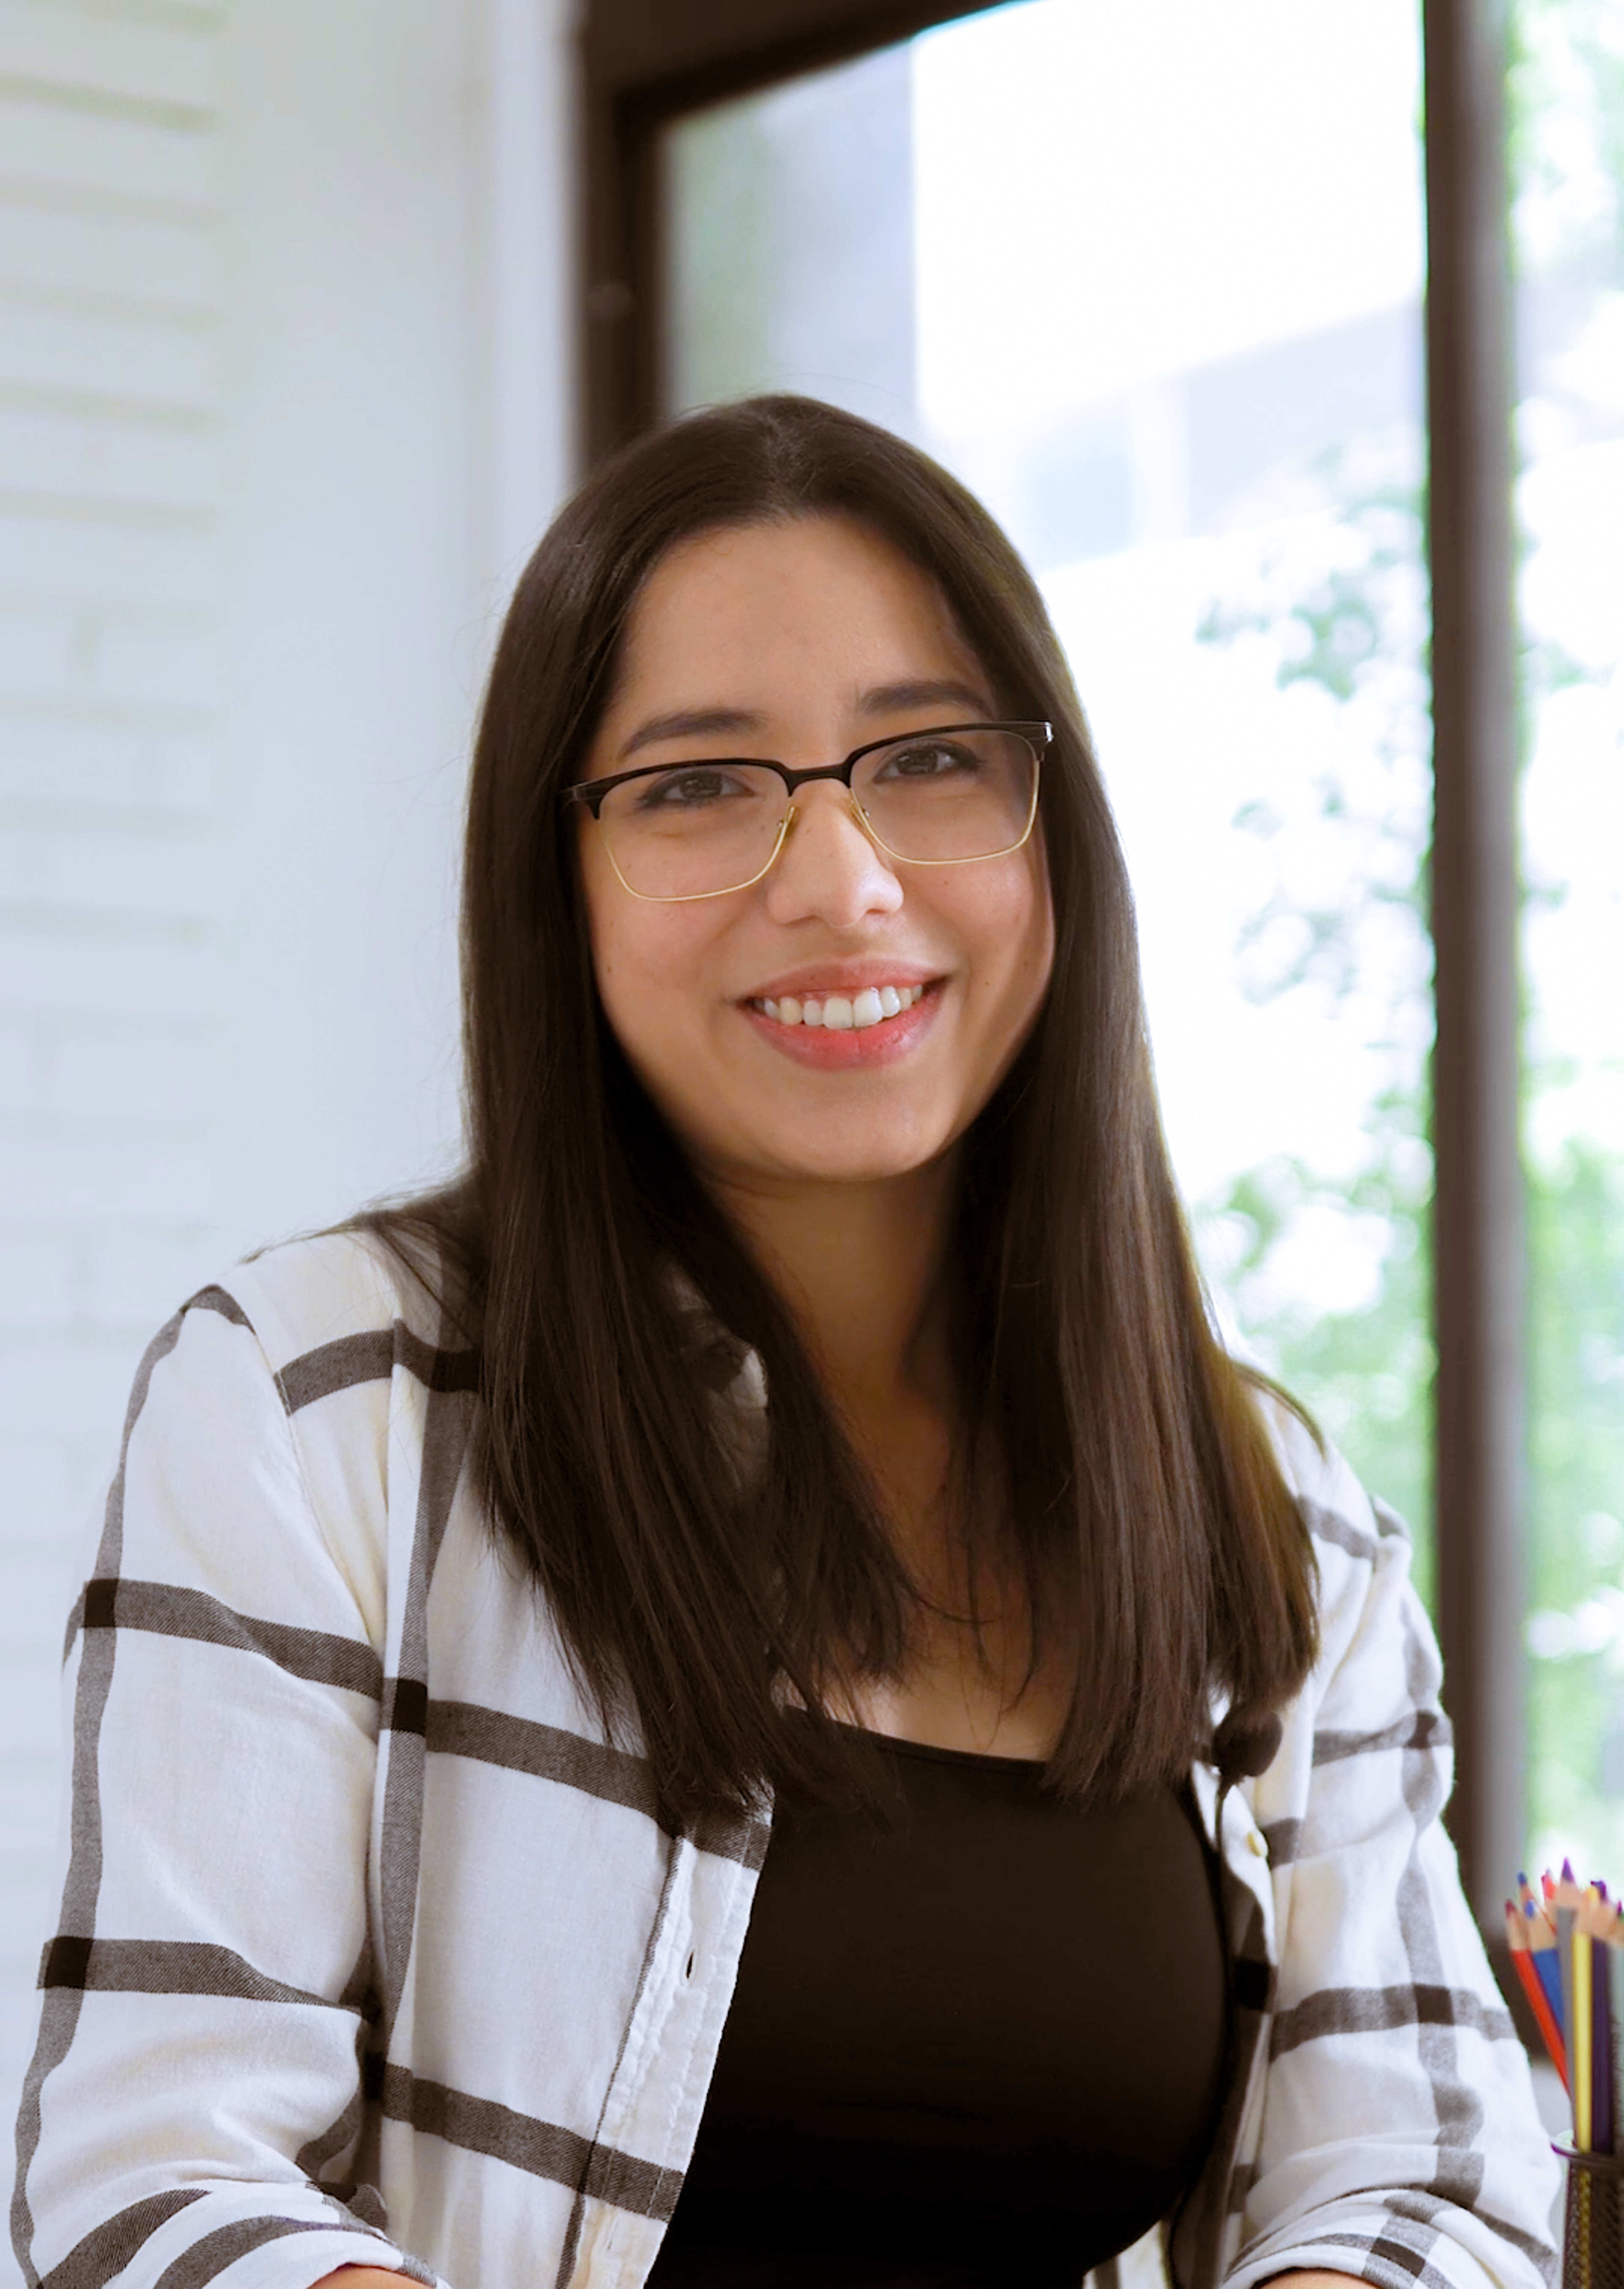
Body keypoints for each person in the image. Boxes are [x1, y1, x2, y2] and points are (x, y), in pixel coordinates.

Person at [13, 396, 1556, 2289]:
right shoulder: (314, 1399)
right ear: (555, 879)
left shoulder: (1275, 1517)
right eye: (699, 786)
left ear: (1047, 825)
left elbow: (1432, 2178)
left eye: (925, 759)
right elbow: (158, 2180)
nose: (838, 881)